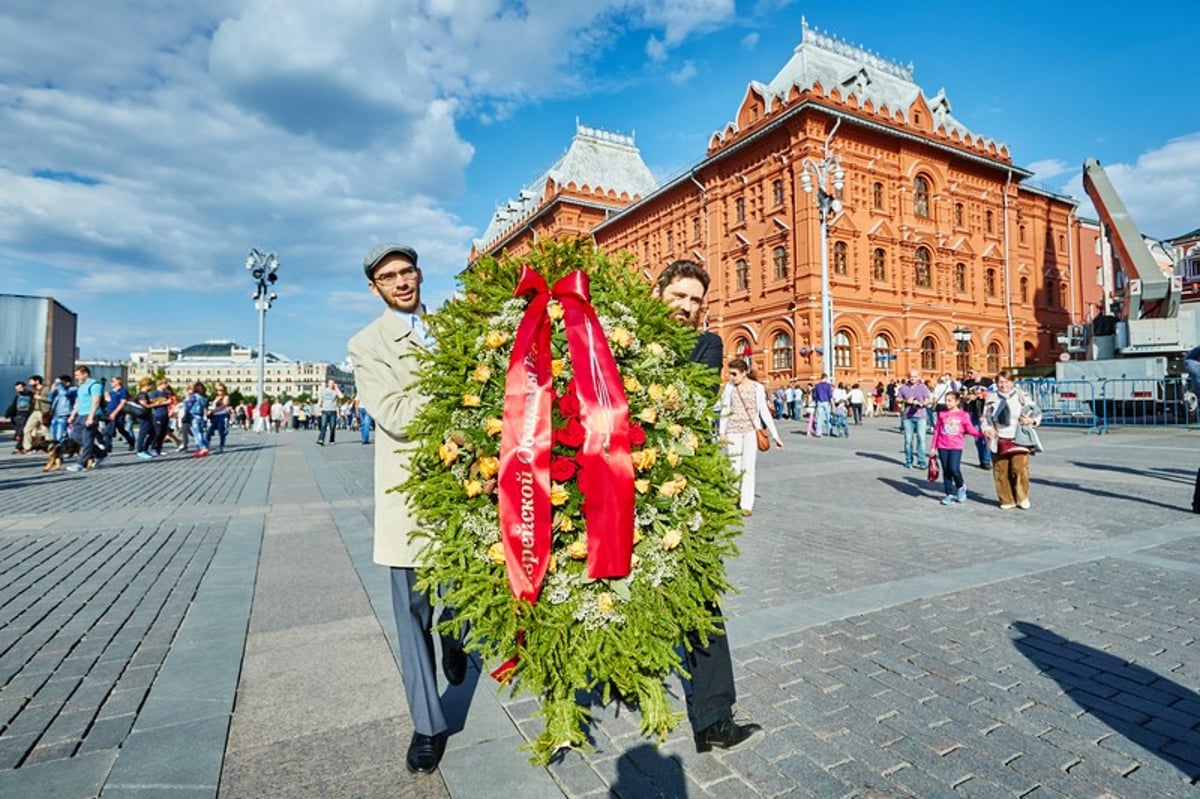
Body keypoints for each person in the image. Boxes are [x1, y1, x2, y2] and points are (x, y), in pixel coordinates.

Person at [348, 243, 467, 775]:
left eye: (406, 271)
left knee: (465, 588)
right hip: (413, 495)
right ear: (375, 288)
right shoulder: (367, 343)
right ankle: (428, 724)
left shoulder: (452, 327)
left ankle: (456, 631)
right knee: (411, 611)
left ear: (419, 275)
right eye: (387, 276)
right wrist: (458, 392)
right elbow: (394, 413)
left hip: (468, 486)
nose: (400, 281)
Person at [652, 259, 761, 753]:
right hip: (619, 484)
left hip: (678, 487)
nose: (687, 307)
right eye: (679, 296)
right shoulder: (622, 333)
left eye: (695, 301)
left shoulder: (707, 344)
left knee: (700, 599)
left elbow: (683, 398)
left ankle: (714, 717)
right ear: (658, 292)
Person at [718, 357, 783, 513]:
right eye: (730, 374)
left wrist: (775, 435)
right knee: (734, 466)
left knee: (748, 467)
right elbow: (725, 409)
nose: (731, 377)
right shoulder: (729, 387)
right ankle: (734, 496)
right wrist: (721, 431)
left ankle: (746, 504)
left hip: (751, 431)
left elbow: (764, 411)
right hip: (733, 430)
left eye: (734, 374)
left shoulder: (757, 388)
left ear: (744, 372)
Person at [981, 369, 1043, 510]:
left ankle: (1022, 497)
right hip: (999, 437)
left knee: (1019, 469)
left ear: (1012, 382)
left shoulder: (1022, 396)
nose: (1003, 385)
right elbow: (985, 417)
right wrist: (987, 428)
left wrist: (1031, 420)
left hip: (1019, 436)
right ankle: (1006, 499)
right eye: (1000, 382)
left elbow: (1037, 412)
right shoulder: (991, 398)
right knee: (1000, 470)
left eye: (1006, 381)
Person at [929, 391, 984, 505]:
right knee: (946, 470)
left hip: (956, 446)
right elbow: (937, 431)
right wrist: (933, 447)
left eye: (950, 400)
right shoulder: (942, 414)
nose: (947, 403)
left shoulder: (963, 415)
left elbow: (970, 429)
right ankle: (949, 494)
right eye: (946, 400)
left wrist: (982, 434)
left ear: (957, 401)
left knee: (954, 469)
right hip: (942, 445)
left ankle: (960, 486)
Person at [66, 365, 107, 472]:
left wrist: (91, 417)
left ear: (85, 374)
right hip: (80, 414)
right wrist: (72, 415)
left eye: (78, 375)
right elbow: (78, 402)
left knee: (87, 439)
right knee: (76, 436)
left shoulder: (95, 385)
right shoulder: (82, 386)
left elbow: (96, 401)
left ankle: (81, 463)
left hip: (91, 414)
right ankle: (100, 454)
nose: (76, 377)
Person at [897, 369, 932, 469]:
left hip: (921, 416)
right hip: (907, 417)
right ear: (908, 377)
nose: (913, 378)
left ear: (919, 377)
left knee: (921, 439)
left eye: (915, 377)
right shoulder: (903, 387)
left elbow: (928, 399)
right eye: (911, 377)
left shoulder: (923, 387)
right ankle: (909, 460)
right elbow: (897, 399)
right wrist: (905, 400)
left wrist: (923, 403)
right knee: (908, 440)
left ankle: (921, 461)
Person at [961, 369, 994, 469]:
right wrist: (968, 397)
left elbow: (993, 393)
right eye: (968, 372)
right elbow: (962, 396)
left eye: (971, 372)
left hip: (985, 411)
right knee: (978, 436)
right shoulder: (966, 383)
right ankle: (982, 459)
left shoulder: (988, 382)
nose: (969, 374)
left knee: (987, 435)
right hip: (971, 411)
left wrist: (982, 395)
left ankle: (986, 459)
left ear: (978, 371)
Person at [3, 381, 34, 453]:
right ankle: (22, 446)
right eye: (17, 389)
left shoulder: (31, 395)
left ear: (24, 387)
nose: (18, 390)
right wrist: (6, 415)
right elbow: (13, 406)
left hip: (26, 415)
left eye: (20, 388)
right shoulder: (18, 395)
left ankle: (19, 447)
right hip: (16, 416)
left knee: (22, 432)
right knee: (18, 432)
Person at [316, 378, 344, 446]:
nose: (331, 384)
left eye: (333, 383)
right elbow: (320, 401)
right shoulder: (323, 391)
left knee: (332, 426)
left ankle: (332, 439)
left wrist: (336, 388)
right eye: (330, 383)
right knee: (323, 425)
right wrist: (317, 410)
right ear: (327, 383)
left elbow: (341, 396)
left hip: (333, 410)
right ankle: (321, 439)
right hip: (325, 410)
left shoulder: (335, 391)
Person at [209, 382, 233, 452]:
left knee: (221, 432)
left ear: (224, 390)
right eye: (217, 390)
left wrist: (213, 410)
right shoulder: (216, 398)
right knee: (209, 431)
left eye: (221, 390)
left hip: (222, 416)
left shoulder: (226, 397)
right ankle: (206, 445)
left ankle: (221, 445)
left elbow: (224, 406)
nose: (219, 392)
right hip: (215, 416)